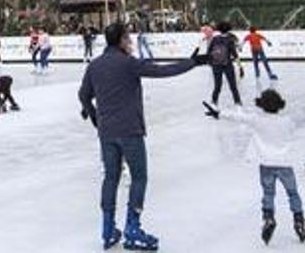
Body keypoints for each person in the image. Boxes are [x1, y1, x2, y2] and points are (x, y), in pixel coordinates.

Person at [78, 22, 209, 251]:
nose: (130, 42)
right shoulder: (128, 63)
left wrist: (96, 119)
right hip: (130, 131)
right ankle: (132, 229)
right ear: (120, 40)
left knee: (111, 177)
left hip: (107, 133)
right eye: (127, 38)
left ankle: (108, 231)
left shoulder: (95, 66)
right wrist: (193, 62)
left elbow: (83, 95)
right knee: (139, 178)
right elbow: (162, 71)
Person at [203, 89, 305, 245]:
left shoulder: (257, 120)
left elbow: (238, 117)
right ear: (279, 105)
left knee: (268, 193)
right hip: (285, 164)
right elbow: (302, 118)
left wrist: (219, 113)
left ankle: (269, 218)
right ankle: (299, 220)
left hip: (266, 164)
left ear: (262, 105)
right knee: (292, 193)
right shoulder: (287, 121)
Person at [207, 21, 242, 107]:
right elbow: (235, 55)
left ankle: (214, 102)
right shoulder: (230, 40)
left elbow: (208, 52)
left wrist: (210, 63)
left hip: (216, 65)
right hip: (227, 65)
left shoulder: (215, 39)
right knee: (233, 86)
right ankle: (237, 102)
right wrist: (240, 67)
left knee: (217, 86)